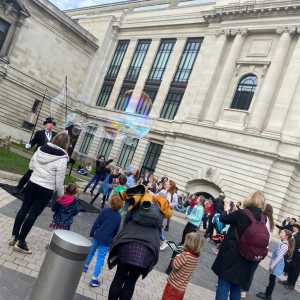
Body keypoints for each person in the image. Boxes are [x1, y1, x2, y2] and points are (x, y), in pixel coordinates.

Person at [9, 131, 69, 254]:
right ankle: (21, 242)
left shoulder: (41, 148)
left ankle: (14, 236)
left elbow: (31, 166)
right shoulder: (62, 158)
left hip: (32, 183)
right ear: (66, 144)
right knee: (33, 214)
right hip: (45, 189)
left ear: (55, 139)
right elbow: (59, 182)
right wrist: (61, 196)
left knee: (23, 209)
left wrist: (39, 172)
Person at [107, 185, 171, 300]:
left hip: (127, 245)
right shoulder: (159, 211)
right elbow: (159, 231)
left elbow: (125, 222)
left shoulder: (138, 205)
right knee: (131, 282)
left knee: (118, 277)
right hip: (146, 252)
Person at [212, 191, 269, 300]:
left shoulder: (242, 213)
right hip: (247, 258)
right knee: (236, 288)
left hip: (231, 256)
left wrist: (226, 209)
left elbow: (223, 218)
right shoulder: (263, 218)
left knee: (223, 286)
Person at [83, 194, 123, 287]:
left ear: (110, 202)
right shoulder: (118, 217)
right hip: (107, 240)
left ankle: (85, 266)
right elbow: (116, 231)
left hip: (98, 235)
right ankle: (94, 279)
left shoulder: (104, 211)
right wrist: (112, 240)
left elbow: (97, 223)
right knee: (100, 258)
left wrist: (92, 233)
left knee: (91, 251)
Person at [15, 117, 56, 193]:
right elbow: (33, 141)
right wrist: (29, 145)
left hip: (47, 159)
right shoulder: (39, 133)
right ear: (45, 124)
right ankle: (19, 187)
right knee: (30, 172)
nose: (51, 125)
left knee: (38, 176)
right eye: (49, 123)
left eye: (53, 124)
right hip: (38, 156)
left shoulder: (55, 135)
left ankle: (27, 190)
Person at [161, 232, 203, 300]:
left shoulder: (185, 255)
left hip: (174, 284)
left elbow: (175, 265)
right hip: (182, 287)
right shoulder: (195, 258)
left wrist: (176, 256)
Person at [256, 229, 294, 300]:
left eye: (282, 232)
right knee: (271, 279)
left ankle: (268, 296)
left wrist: (272, 265)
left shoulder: (285, 245)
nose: (280, 233)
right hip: (275, 263)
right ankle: (267, 293)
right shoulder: (283, 243)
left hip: (277, 264)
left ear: (286, 236)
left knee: (272, 280)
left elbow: (279, 257)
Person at [283, 223, 300, 290]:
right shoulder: (294, 234)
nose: (293, 228)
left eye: (294, 227)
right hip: (293, 253)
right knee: (291, 267)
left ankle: (292, 284)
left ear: (297, 228)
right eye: (293, 227)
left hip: (298, 255)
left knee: (296, 270)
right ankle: (288, 281)